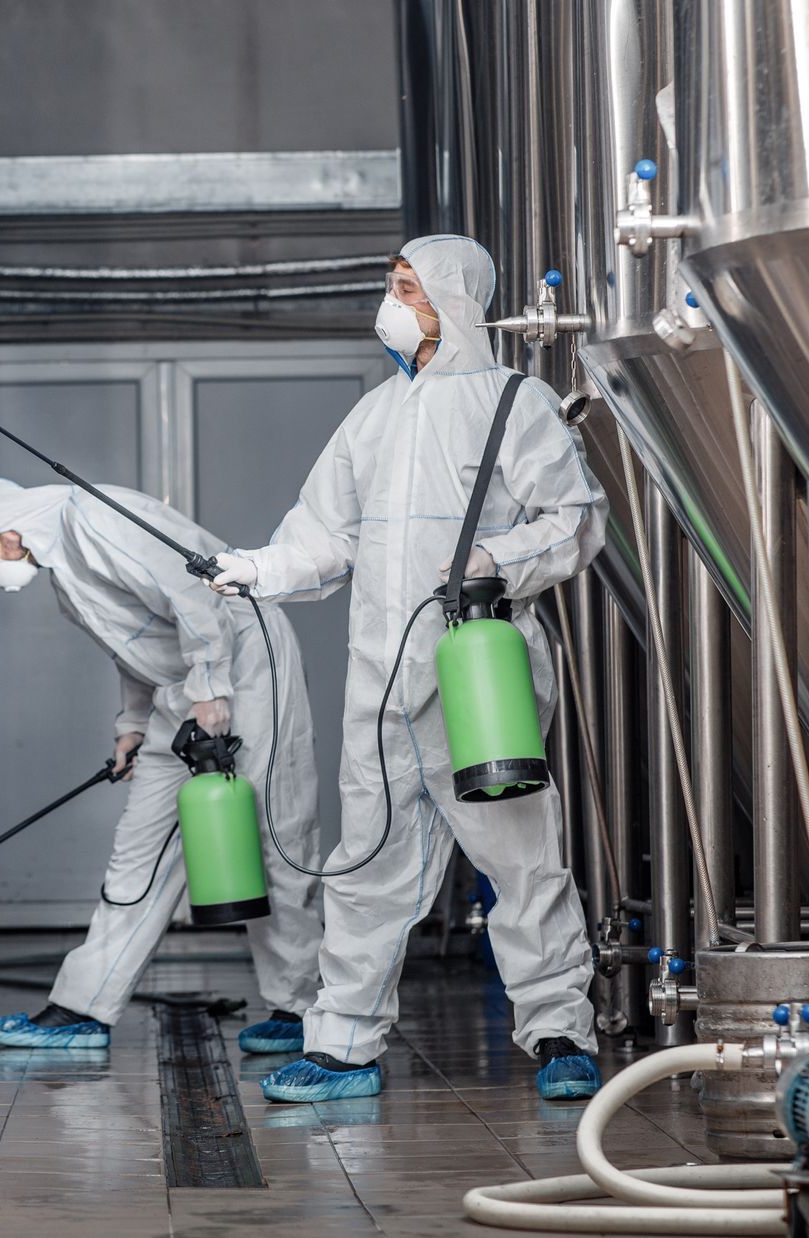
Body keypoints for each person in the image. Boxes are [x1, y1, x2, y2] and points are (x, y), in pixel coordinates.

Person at [207, 235, 609, 1103]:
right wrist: (259, 569)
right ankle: (344, 1043)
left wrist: (494, 558)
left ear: (452, 302)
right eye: (391, 285)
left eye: (405, 288)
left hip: (478, 671)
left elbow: (574, 520)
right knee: (367, 865)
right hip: (381, 679)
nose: (390, 303)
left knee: (521, 860)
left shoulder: (514, 402)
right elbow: (323, 533)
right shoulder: (376, 415)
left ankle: (561, 1034)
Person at [0, 477, 325, 1054]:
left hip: (245, 666)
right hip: (186, 687)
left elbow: (192, 590)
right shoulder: (66, 576)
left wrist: (210, 685)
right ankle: (82, 1008)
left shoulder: (96, 518)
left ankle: (298, 1008)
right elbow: (136, 647)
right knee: (138, 852)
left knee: (275, 833)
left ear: (6, 529)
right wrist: (131, 724)